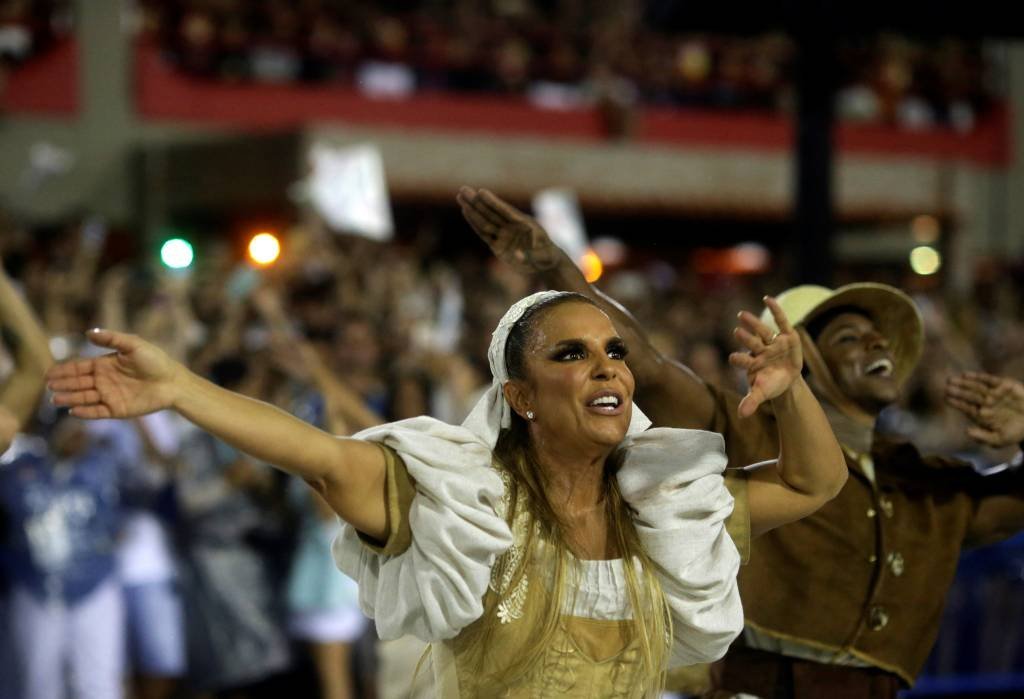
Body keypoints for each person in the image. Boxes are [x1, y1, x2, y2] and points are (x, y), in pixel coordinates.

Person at [46, 275, 839, 696]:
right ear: (519, 396)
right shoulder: (467, 500)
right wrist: (183, 388)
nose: (607, 366)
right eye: (570, 353)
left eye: (614, 350)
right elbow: (322, 455)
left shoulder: (664, 507)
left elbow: (812, 482)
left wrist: (792, 390)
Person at [456, 187, 1024, 697]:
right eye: (849, 335)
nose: (877, 342)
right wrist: (558, 266)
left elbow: (1009, 510)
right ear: (805, 358)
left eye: (880, 335)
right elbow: (644, 365)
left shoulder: (923, 477)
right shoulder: (742, 428)